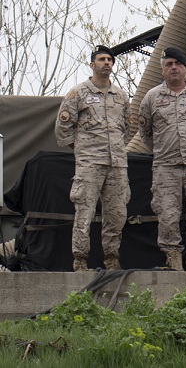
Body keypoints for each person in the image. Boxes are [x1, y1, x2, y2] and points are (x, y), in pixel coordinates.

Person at [137, 47, 186, 271]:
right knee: (168, 216)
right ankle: (174, 262)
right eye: (169, 64)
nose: (174, 68)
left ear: (185, 68)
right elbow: (146, 133)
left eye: (177, 64)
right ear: (162, 69)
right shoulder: (152, 97)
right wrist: (164, 150)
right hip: (166, 167)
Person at [56, 45, 130, 271]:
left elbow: (125, 128)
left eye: (109, 59)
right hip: (89, 163)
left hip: (116, 164)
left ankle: (111, 259)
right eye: (101, 59)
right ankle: (80, 260)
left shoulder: (121, 95)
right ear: (92, 64)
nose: (106, 63)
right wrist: (82, 149)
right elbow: (63, 127)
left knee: (117, 213)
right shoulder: (78, 93)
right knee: (84, 212)